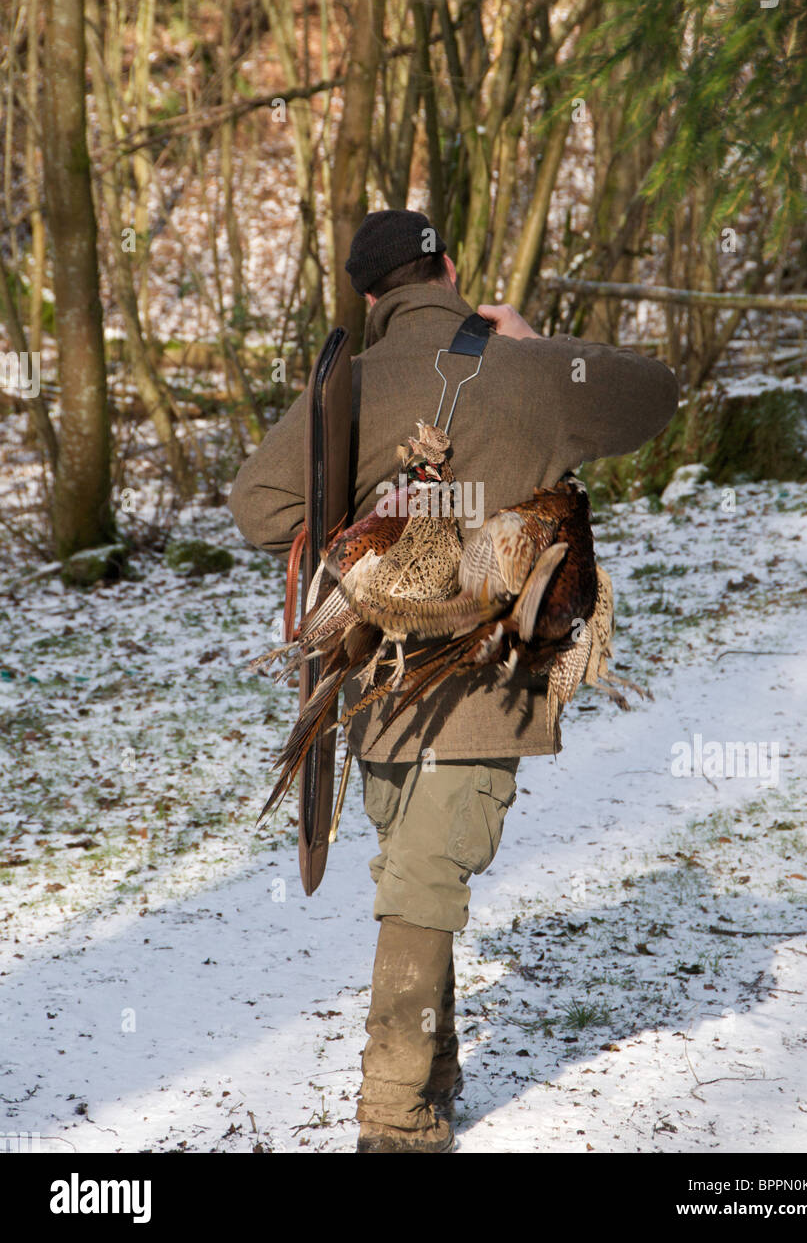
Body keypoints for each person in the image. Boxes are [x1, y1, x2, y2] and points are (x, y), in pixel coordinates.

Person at [228, 208, 679, 1153]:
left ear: (368, 294)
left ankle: (412, 1094)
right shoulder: (533, 371)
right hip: (488, 680)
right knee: (418, 878)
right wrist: (534, 341)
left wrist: (359, 538)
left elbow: (261, 505)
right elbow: (656, 395)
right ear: (449, 270)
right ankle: (401, 1119)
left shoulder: (347, 386)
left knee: (415, 873)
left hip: (375, 678)